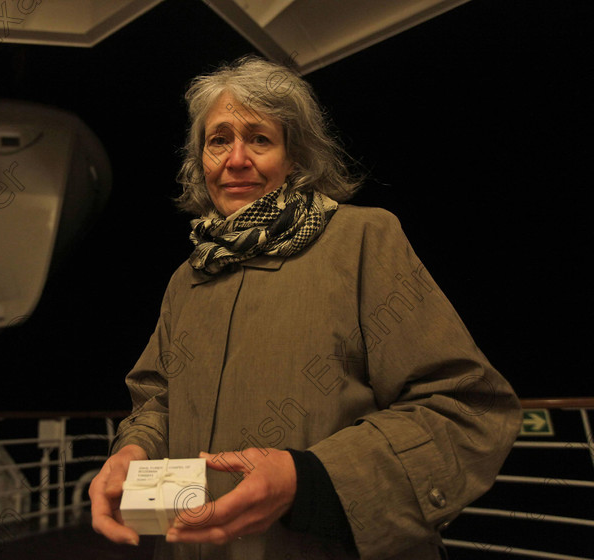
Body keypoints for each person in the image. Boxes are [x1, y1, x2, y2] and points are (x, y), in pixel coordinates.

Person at [89, 55, 521, 560]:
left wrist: (309, 480)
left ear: (295, 158)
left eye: (260, 139)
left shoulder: (362, 239)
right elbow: (157, 401)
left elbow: (463, 408)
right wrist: (131, 452)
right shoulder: (188, 278)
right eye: (219, 140)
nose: (235, 159)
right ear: (200, 161)